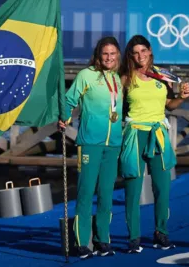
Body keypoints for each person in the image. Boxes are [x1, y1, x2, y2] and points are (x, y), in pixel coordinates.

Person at [119, 35, 189, 254]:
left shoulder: (163, 75)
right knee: (132, 189)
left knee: (162, 188)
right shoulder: (126, 78)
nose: (140, 56)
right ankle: (133, 237)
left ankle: (161, 233)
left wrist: (183, 96)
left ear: (150, 51)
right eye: (135, 52)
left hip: (158, 135)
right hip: (134, 136)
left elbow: (170, 105)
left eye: (143, 51)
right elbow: (115, 108)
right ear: (131, 56)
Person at [59, 37, 123, 259]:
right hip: (90, 143)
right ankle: (81, 242)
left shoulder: (117, 78)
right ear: (98, 55)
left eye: (113, 54)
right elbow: (69, 100)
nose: (109, 58)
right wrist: (65, 118)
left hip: (112, 144)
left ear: (117, 56)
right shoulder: (86, 75)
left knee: (106, 194)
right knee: (86, 193)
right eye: (105, 54)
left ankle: (102, 240)